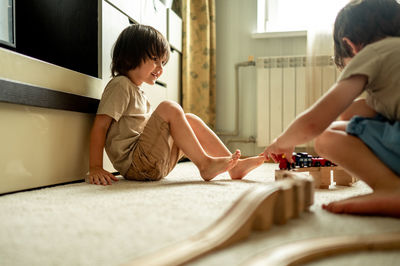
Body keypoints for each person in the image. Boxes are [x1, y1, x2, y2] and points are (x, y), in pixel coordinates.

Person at [263, 0, 400, 218]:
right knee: (354, 114)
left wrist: (282, 142)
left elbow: (314, 123)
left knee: (326, 138)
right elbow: (360, 112)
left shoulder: (371, 53)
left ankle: (391, 189)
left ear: (351, 45)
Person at [88, 24, 265, 185]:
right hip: (136, 164)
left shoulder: (138, 91)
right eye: (155, 59)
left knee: (190, 119)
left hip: (150, 164)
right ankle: (205, 164)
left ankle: (234, 167)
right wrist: (95, 166)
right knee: (169, 108)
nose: (160, 68)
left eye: (163, 62)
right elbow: (100, 126)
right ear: (131, 55)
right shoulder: (120, 85)